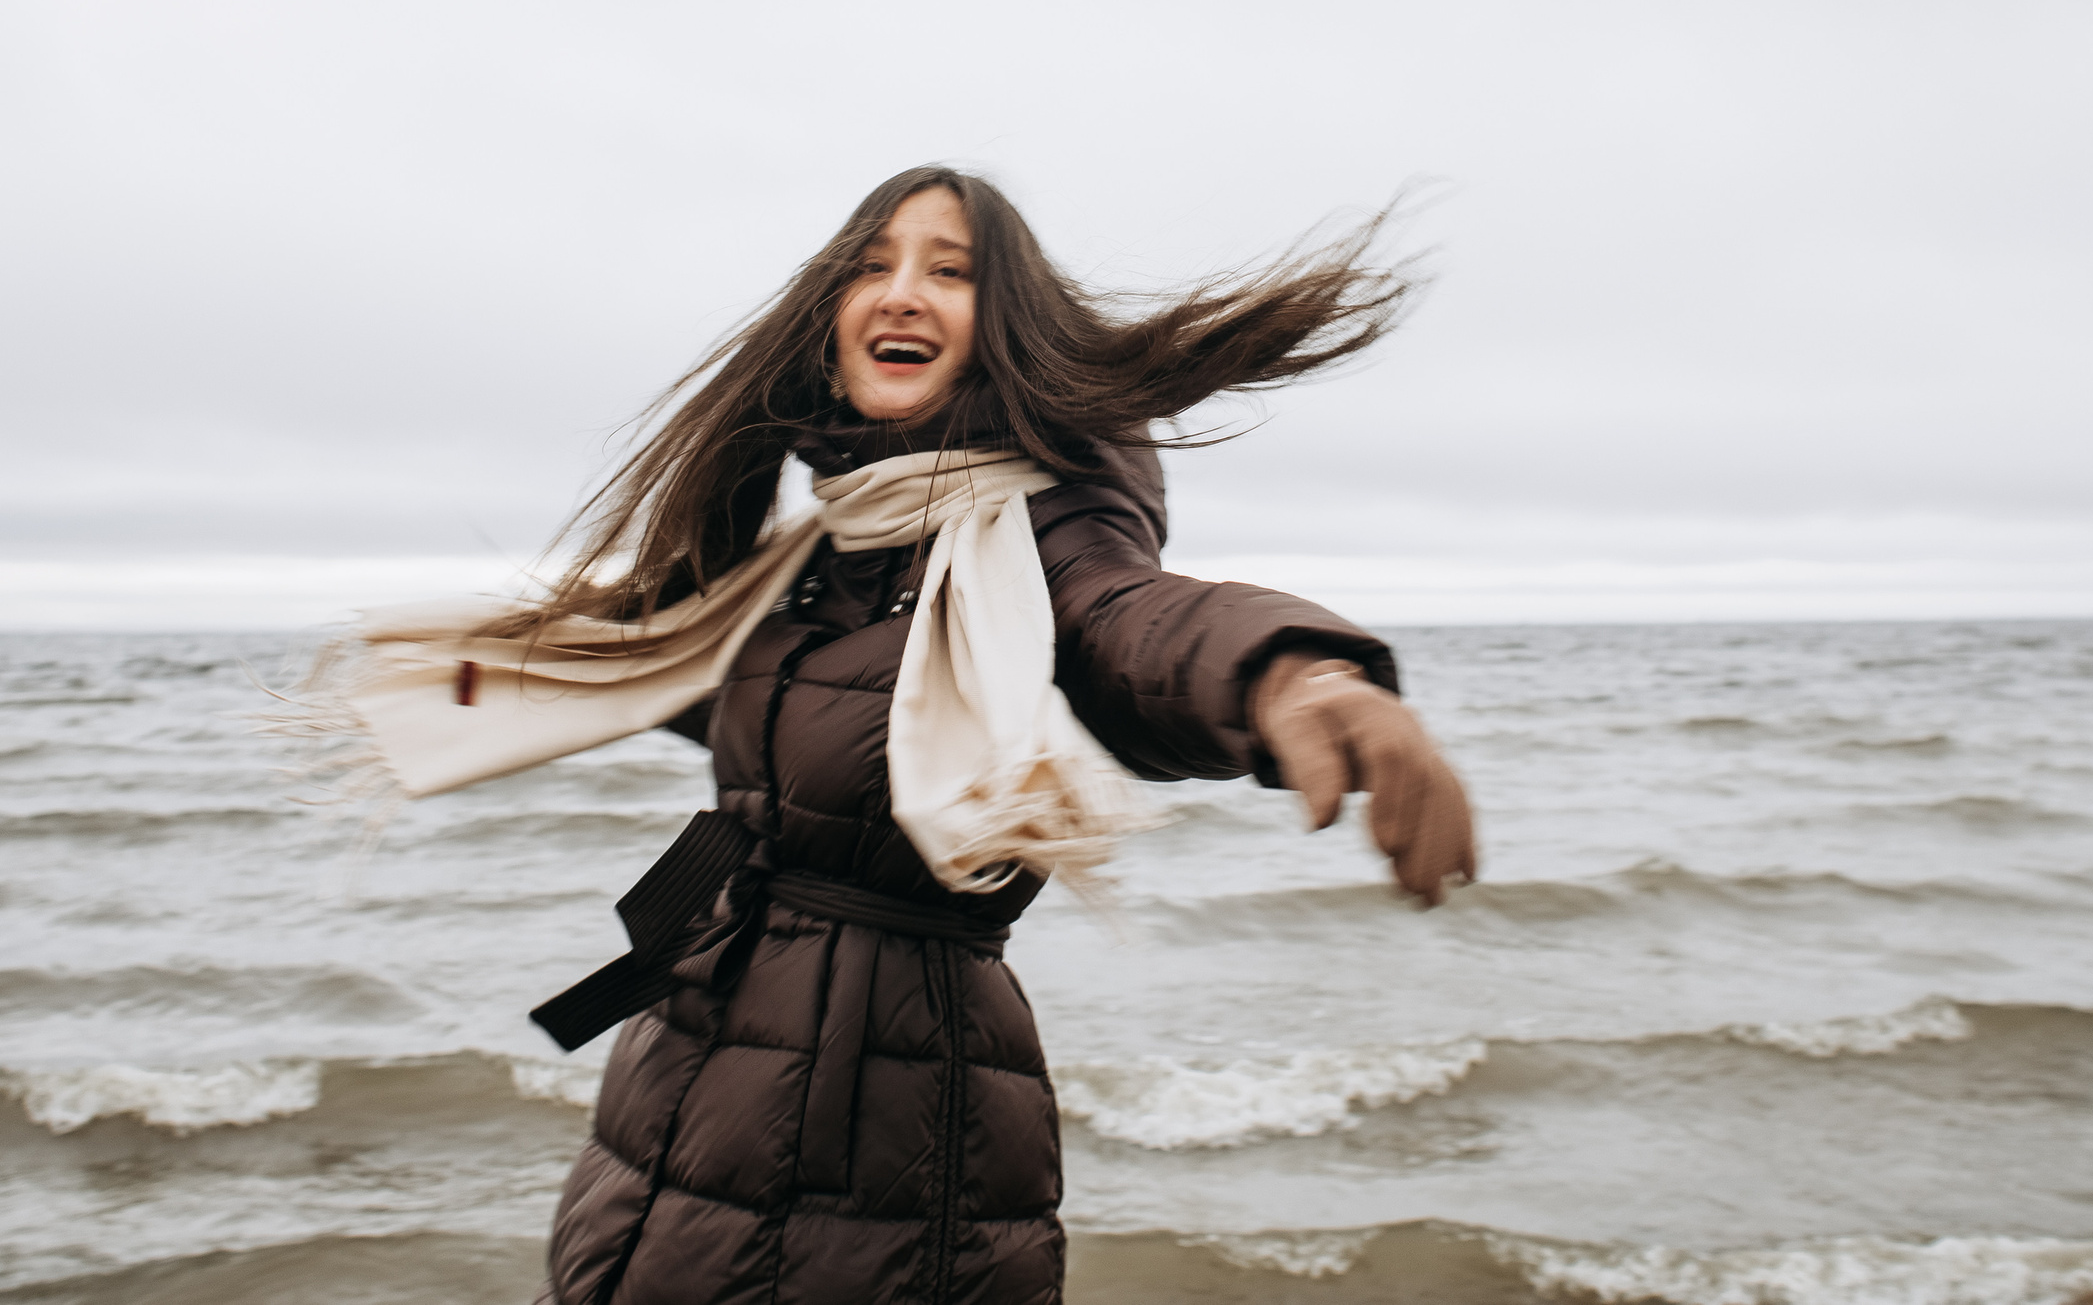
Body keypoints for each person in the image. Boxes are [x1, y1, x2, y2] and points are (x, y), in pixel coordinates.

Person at [280, 166, 1475, 1305]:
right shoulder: (817, 557)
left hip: (876, 1111)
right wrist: (520, 676)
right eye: (871, 264)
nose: (901, 291)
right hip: (689, 1057)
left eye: (948, 271)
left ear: (1001, 327)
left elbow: (1134, 625)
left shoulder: (1036, 534)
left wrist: (1298, 681)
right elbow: (698, 678)